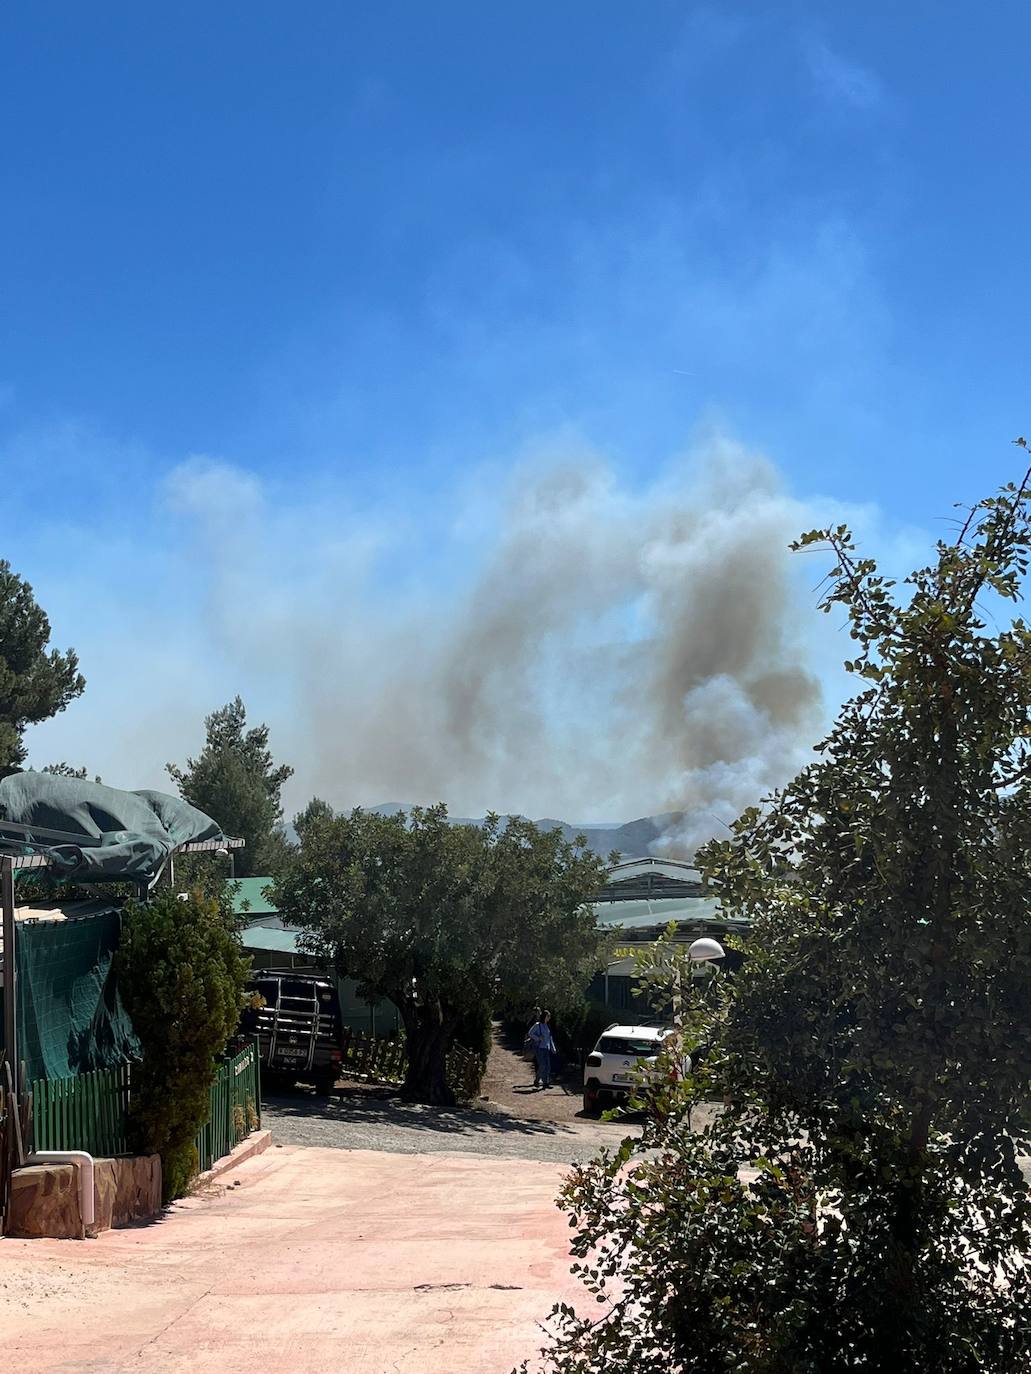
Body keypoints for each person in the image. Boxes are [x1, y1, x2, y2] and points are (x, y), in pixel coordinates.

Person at [526, 1010, 557, 1089]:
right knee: (542, 1065)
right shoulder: (538, 1025)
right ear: (544, 1016)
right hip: (539, 1048)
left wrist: (553, 1048)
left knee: (548, 1066)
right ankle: (537, 1080)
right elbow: (530, 1033)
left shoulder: (547, 1026)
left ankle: (545, 1083)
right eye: (548, 1016)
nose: (549, 1018)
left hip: (546, 1048)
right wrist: (538, 1038)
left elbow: (550, 1038)